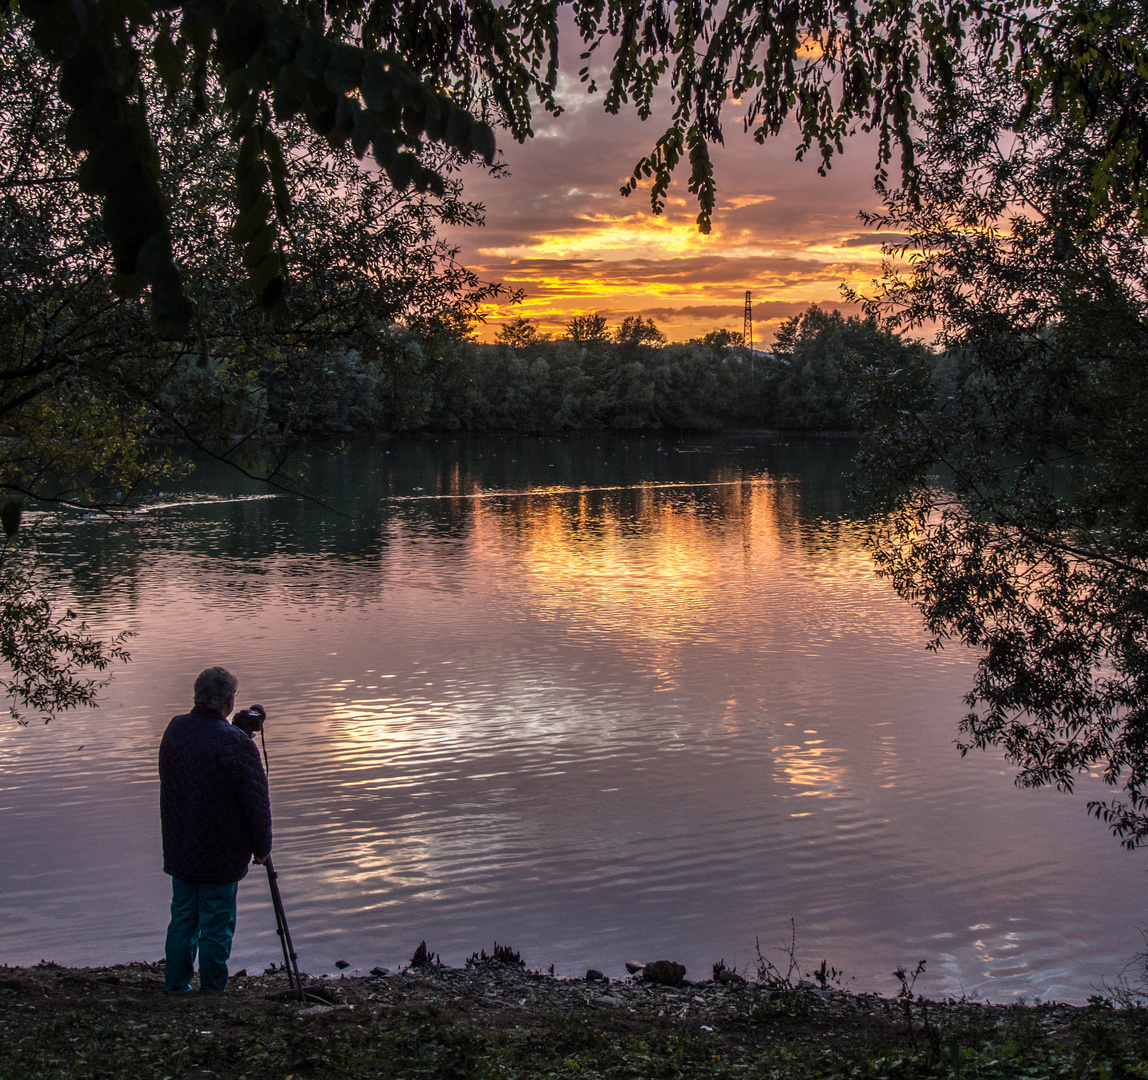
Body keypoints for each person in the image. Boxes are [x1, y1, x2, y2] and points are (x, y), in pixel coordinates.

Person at [158, 666, 272, 994]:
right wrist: (262, 847)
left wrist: (236, 732)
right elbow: (255, 802)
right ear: (227, 701)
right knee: (216, 926)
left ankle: (177, 986)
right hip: (220, 855)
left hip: (181, 846)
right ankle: (212, 990)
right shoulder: (235, 744)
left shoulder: (176, 728)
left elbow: (196, 767)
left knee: (183, 920)